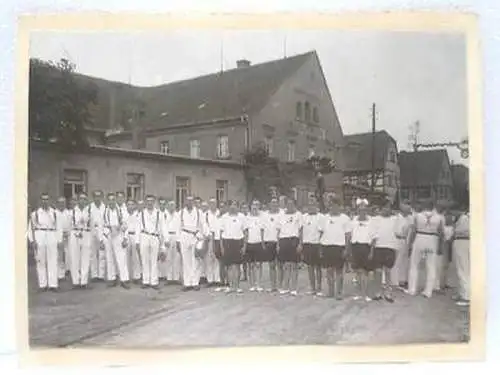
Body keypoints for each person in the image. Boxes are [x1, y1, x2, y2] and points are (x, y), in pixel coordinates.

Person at [407, 200, 444, 298]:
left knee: (414, 264)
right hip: (432, 239)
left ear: (423, 206)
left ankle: (412, 289)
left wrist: (410, 244)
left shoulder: (417, 216)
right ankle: (428, 291)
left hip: (419, 238)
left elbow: (413, 231)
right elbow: (441, 233)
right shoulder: (439, 217)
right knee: (431, 265)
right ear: (433, 206)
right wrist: (440, 246)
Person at [27, 193, 63, 292]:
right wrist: (32, 240)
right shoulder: (35, 214)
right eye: (43, 199)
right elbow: (31, 228)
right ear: (40, 201)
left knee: (52, 260)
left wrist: (59, 240)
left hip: (51, 235)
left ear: (50, 200)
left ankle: (53, 284)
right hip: (40, 235)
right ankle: (42, 284)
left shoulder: (55, 213)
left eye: (47, 199)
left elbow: (59, 228)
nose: (45, 201)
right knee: (40, 261)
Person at [319, 195, 351, 299]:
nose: (332, 207)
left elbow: (348, 235)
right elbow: (321, 233)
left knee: (339, 271)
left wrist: (346, 248)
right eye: (330, 205)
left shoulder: (345, 218)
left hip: (339, 247)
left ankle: (339, 292)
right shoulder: (325, 218)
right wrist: (320, 247)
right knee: (329, 271)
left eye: (334, 205)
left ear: (338, 206)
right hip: (327, 246)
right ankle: (331, 292)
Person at [349, 199, 376, 302]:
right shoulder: (353, 221)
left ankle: (365, 294)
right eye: (360, 210)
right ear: (357, 211)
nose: (362, 212)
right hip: (355, 247)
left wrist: (371, 251)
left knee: (366, 272)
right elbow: (350, 235)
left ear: (367, 210)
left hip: (366, 247)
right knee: (357, 272)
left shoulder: (371, 221)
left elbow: (374, 238)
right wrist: (350, 250)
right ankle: (358, 293)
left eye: (364, 210)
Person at [371, 202, 399, 302]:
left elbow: (399, 232)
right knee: (378, 272)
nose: (387, 209)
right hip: (378, 247)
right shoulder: (375, 219)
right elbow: (373, 235)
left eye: (388, 207)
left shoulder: (395, 219)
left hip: (390, 247)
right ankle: (378, 292)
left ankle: (388, 293)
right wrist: (372, 250)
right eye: (385, 207)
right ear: (381, 208)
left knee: (388, 271)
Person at [103, 193, 130, 289]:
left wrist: (125, 238)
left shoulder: (122, 211)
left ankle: (124, 279)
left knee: (121, 258)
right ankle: (112, 278)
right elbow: (102, 225)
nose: (111, 202)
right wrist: (104, 236)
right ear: (107, 201)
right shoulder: (105, 211)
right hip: (108, 235)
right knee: (109, 258)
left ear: (115, 200)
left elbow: (126, 225)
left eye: (113, 200)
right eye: (109, 200)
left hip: (119, 236)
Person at [276, 198, 303, 296]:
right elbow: (278, 230)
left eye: (291, 204)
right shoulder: (281, 215)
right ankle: (285, 287)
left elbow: (300, 230)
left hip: (294, 240)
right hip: (284, 240)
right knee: (286, 265)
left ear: (294, 205)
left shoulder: (298, 215)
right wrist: (278, 244)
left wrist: (300, 243)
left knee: (294, 265)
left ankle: (294, 288)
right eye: (288, 204)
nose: (289, 206)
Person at [178, 196, 205, 291]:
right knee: (186, 260)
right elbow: (178, 227)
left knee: (195, 260)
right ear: (185, 201)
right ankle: (187, 283)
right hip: (184, 236)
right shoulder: (181, 212)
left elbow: (203, 224)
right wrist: (178, 240)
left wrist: (205, 234)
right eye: (187, 200)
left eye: (190, 201)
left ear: (193, 202)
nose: (189, 202)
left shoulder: (198, 212)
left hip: (195, 236)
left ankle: (195, 282)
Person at [136, 195, 162, 290]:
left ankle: (154, 282)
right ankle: (145, 281)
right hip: (144, 236)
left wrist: (165, 241)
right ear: (145, 202)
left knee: (154, 260)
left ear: (154, 202)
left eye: (151, 201)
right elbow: (137, 228)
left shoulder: (159, 213)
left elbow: (162, 228)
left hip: (155, 237)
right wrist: (137, 241)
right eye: (148, 201)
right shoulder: (141, 213)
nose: (150, 203)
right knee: (144, 259)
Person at [220, 200, 246, 293]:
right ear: (228, 206)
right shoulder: (224, 217)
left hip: (238, 241)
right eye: (231, 205)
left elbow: (245, 232)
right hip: (227, 241)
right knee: (229, 266)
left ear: (237, 207)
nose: (233, 207)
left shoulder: (241, 217)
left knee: (237, 266)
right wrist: (222, 246)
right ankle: (231, 286)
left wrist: (244, 246)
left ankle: (237, 286)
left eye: (234, 205)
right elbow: (221, 232)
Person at [67, 193, 93, 289]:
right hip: (75, 234)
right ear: (78, 200)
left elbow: (92, 226)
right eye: (81, 199)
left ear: (86, 201)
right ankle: (75, 281)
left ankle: (83, 282)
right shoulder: (72, 212)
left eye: (84, 199)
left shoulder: (89, 212)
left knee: (85, 258)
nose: (82, 201)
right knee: (74, 258)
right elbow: (69, 226)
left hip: (86, 234)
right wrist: (74, 234)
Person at [301, 197, 323, 296]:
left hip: (317, 244)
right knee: (310, 267)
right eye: (309, 205)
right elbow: (300, 231)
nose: (311, 206)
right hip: (307, 244)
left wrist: (321, 246)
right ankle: (312, 288)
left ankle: (319, 288)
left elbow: (322, 232)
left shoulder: (320, 217)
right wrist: (300, 243)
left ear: (316, 206)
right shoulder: (304, 217)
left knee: (318, 267)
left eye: (313, 204)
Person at [390, 202, 413, 290]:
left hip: (405, 240)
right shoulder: (396, 218)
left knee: (404, 260)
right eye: (407, 209)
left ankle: (402, 280)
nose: (409, 211)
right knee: (397, 261)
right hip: (397, 239)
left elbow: (411, 229)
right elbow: (395, 231)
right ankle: (394, 281)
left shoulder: (409, 218)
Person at [244, 200, 265, 292]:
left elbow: (262, 231)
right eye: (253, 207)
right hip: (249, 243)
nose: (254, 208)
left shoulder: (261, 218)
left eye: (256, 207)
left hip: (258, 243)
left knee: (258, 264)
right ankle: (252, 284)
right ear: (251, 208)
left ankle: (258, 284)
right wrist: (245, 244)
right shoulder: (247, 218)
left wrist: (263, 243)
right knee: (251, 265)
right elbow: (246, 232)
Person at [261, 197, 280, 292]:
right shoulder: (265, 216)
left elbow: (281, 230)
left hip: (278, 242)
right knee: (271, 265)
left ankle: (280, 285)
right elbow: (262, 229)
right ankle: (273, 286)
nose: (274, 205)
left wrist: (279, 243)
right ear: (270, 204)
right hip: (269, 242)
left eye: (276, 203)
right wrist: (263, 242)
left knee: (280, 265)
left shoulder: (281, 214)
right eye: (272, 203)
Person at [162, 199, 182, 285]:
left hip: (176, 236)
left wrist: (179, 240)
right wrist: (166, 239)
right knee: (168, 258)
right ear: (167, 206)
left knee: (176, 258)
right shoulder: (164, 215)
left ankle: (176, 277)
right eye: (170, 205)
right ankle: (169, 278)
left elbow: (180, 228)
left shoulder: (178, 215)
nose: (171, 207)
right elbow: (163, 227)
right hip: (168, 236)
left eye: (173, 205)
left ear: (175, 206)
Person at [453, 208, 470, 306]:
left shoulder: (464, 218)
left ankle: (466, 296)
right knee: (464, 269)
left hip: (462, 241)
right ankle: (462, 292)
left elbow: (459, 231)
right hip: (465, 242)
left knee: (463, 269)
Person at [89, 190, 106, 282]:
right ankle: (94, 275)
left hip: (102, 231)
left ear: (102, 197)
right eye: (95, 196)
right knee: (93, 253)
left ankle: (101, 275)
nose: (97, 198)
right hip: (92, 231)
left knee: (102, 253)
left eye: (99, 196)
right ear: (93, 197)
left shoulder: (105, 207)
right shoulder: (89, 207)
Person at [203, 198, 221, 287]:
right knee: (208, 259)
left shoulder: (220, 213)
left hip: (218, 238)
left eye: (214, 203)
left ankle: (217, 279)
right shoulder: (206, 214)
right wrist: (207, 234)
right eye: (211, 203)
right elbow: (204, 226)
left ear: (216, 204)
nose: (212, 205)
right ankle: (210, 280)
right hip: (209, 238)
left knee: (217, 259)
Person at [124, 199, 141, 284]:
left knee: (136, 257)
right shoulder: (123, 214)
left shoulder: (138, 214)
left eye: (132, 204)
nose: (130, 206)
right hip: (126, 236)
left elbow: (139, 228)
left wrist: (138, 240)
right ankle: (126, 277)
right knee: (126, 257)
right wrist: (124, 238)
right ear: (126, 205)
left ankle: (136, 276)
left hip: (135, 235)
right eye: (128, 204)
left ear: (134, 206)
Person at [55, 196, 71, 280]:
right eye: (60, 203)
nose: (62, 204)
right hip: (57, 236)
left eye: (63, 203)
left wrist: (67, 232)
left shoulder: (68, 213)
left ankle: (67, 270)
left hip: (67, 236)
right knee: (59, 255)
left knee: (67, 253)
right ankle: (60, 274)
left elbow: (71, 225)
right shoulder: (54, 213)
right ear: (57, 203)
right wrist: (58, 235)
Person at [157, 197, 169, 281]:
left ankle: (165, 275)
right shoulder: (156, 213)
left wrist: (166, 238)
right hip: (157, 236)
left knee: (165, 256)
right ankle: (158, 275)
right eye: (160, 204)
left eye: (163, 204)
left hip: (166, 236)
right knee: (157, 257)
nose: (162, 205)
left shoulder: (167, 213)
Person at [239, 202, 250, 282]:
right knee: (243, 259)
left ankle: (250, 274)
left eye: (245, 208)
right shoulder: (240, 217)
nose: (244, 209)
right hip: (242, 239)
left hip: (251, 239)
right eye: (243, 208)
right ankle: (244, 275)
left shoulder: (250, 217)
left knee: (250, 260)